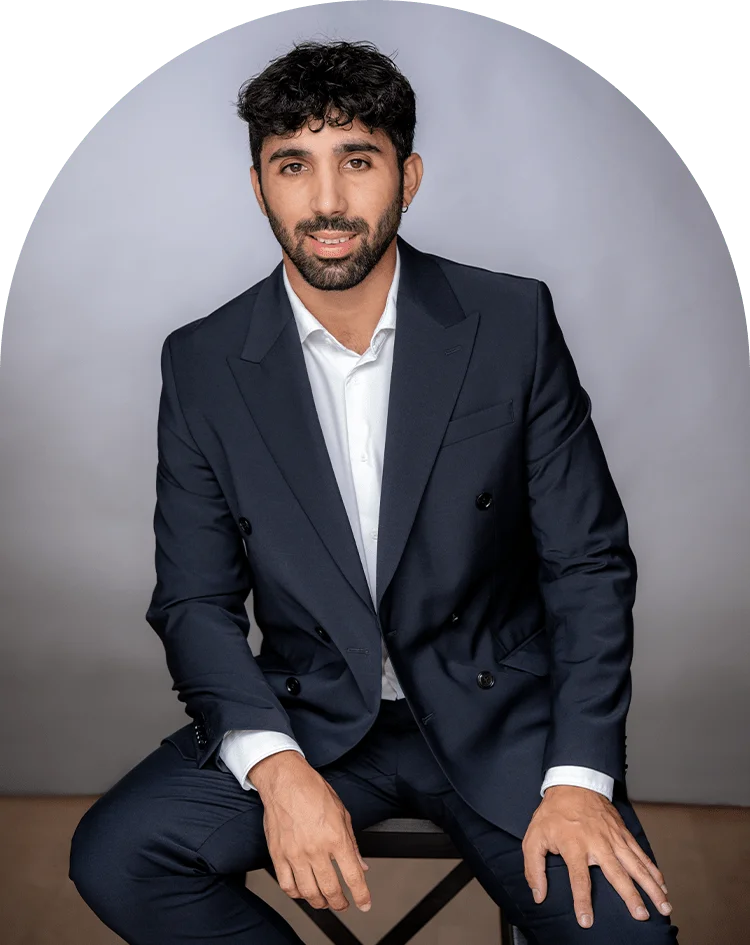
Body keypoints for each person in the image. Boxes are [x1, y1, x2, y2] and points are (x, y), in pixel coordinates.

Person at [69, 39, 680, 944]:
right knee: (119, 856)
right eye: (292, 165)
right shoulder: (201, 363)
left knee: (626, 936)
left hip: (502, 716)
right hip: (314, 717)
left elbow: (587, 564)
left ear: (409, 174)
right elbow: (194, 599)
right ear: (257, 185)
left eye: (357, 161)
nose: (325, 202)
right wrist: (275, 766)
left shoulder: (510, 322)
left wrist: (579, 778)